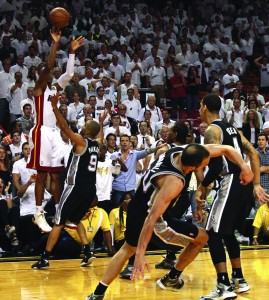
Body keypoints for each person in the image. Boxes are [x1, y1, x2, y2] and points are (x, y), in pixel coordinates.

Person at [86, 142, 253, 300]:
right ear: (192, 167)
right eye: (204, 165)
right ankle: (172, 277)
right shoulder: (175, 182)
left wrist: (244, 167)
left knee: (126, 249)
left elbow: (226, 149)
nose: (206, 167)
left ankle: (97, 293)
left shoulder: (180, 151)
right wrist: (140, 255)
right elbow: (151, 219)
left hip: (136, 206)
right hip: (153, 219)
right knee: (202, 238)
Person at [197, 93, 268, 299]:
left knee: (212, 232)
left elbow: (217, 164)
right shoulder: (233, 129)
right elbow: (253, 153)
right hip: (244, 184)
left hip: (231, 181)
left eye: (201, 106)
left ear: (204, 107)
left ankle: (223, 286)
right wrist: (255, 184)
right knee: (227, 233)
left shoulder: (213, 130)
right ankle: (239, 279)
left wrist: (202, 187)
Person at [31, 91, 101, 269]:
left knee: (58, 222)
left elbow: (64, 128)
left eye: (85, 126)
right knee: (74, 222)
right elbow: (97, 131)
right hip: (90, 188)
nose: (82, 127)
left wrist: (54, 107)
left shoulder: (81, 141)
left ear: (87, 131)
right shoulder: (96, 145)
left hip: (75, 186)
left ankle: (45, 258)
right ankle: (88, 251)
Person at [26, 28, 84, 232]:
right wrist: (55, 44)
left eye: (48, 70)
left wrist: (71, 51)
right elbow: (50, 65)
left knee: (58, 175)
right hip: (40, 131)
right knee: (41, 175)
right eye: (44, 70)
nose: (48, 71)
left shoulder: (55, 89)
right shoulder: (39, 88)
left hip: (54, 134)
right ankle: (39, 212)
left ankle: (60, 210)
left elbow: (68, 73)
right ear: (40, 74)